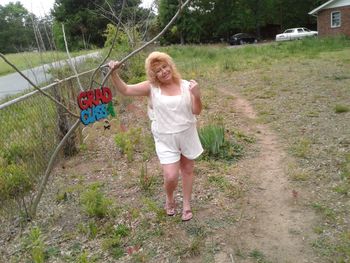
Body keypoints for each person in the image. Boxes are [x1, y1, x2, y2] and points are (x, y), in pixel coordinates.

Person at [108, 51, 203, 222]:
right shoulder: (152, 88)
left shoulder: (186, 85)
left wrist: (197, 95)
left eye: (165, 66)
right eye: (158, 70)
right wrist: (114, 72)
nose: (163, 72)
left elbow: (196, 110)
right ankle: (169, 198)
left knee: (188, 169)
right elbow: (125, 89)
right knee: (171, 175)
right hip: (165, 138)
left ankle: (187, 204)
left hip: (187, 134)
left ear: (170, 66)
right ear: (154, 74)